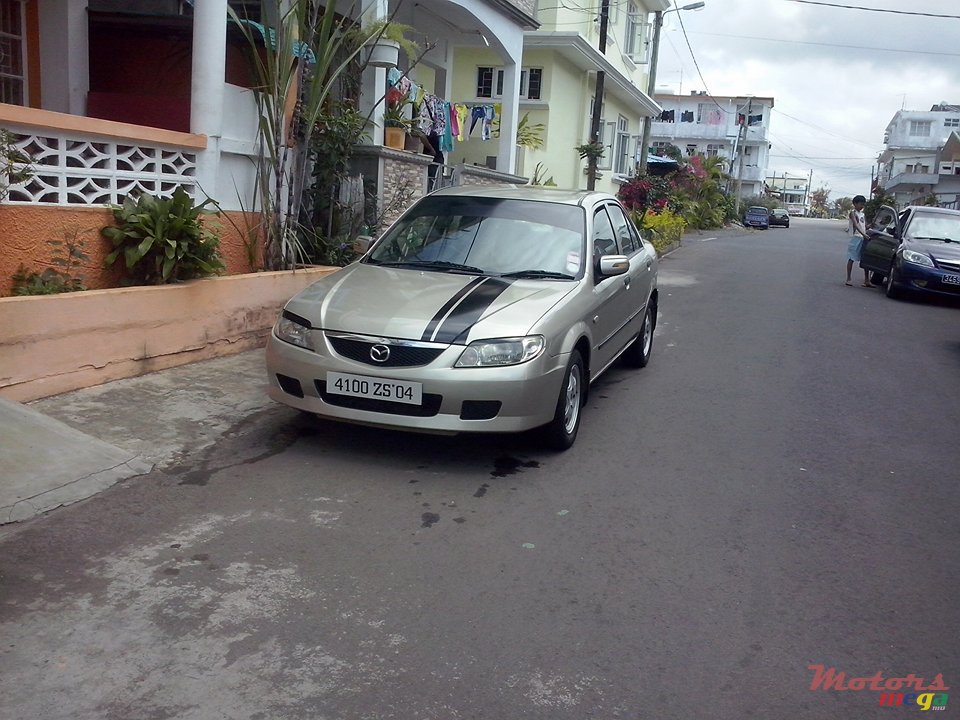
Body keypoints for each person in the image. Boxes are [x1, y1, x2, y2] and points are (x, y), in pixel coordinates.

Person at [845, 194, 873, 287]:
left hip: (862, 238)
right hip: (856, 237)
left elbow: (864, 226)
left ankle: (867, 280)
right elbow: (856, 225)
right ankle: (848, 278)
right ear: (855, 204)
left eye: (863, 204)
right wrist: (864, 234)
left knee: (865, 259)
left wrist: (871, 225)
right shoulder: (853, 213)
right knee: (851, 258)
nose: (862, 206)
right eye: (860, 204)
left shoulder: (863, 214)